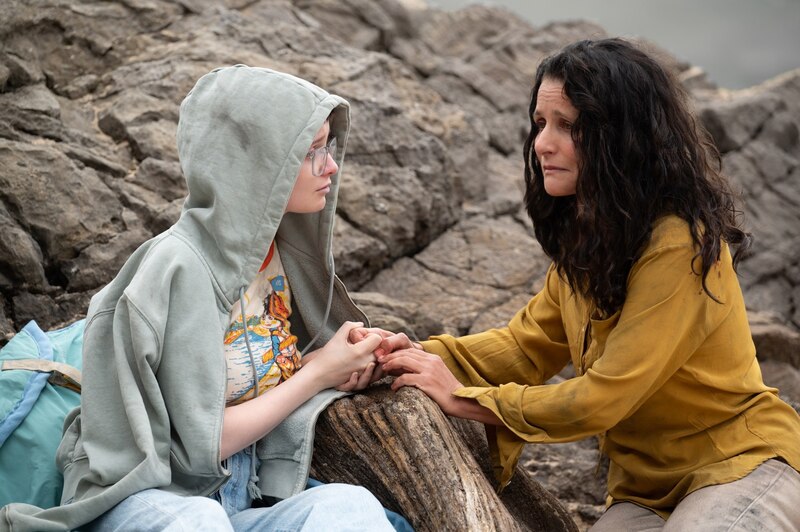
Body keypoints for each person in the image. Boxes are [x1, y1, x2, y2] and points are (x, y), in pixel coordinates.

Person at [373, 38, 800, 530]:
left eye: (568, 127)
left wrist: (463, 399)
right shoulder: (589, 240)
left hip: (740, 466)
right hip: (644, 493)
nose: (542, 143)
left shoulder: (679, 242)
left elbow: (604, 397)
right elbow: (525, 348)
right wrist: (399, 356)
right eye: (540, 123)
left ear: (621, 137)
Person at [0, 65, 403, 531]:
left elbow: (263, 370)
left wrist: (345, 362)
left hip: (238, 501)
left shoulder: (275, 257)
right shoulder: (179, 267)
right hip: (146, 501)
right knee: (198, 521)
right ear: (257, 162)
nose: (330, 166)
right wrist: (316, 377)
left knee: (350, 507)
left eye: (328, 146)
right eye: (311, 151)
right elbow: (201, 448)